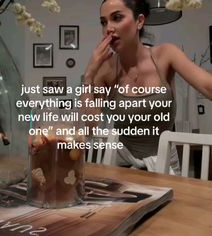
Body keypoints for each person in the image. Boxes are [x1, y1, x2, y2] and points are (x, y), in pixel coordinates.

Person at [81, 0, 212, 174]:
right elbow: (89, 127)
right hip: (123, 165)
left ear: (139, 21)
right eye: (103, 22)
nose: (108, 28)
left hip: (165, 166)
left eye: (117, 18)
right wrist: (90, 74)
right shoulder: (106, 69)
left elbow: (207, 86)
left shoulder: (166, 55)